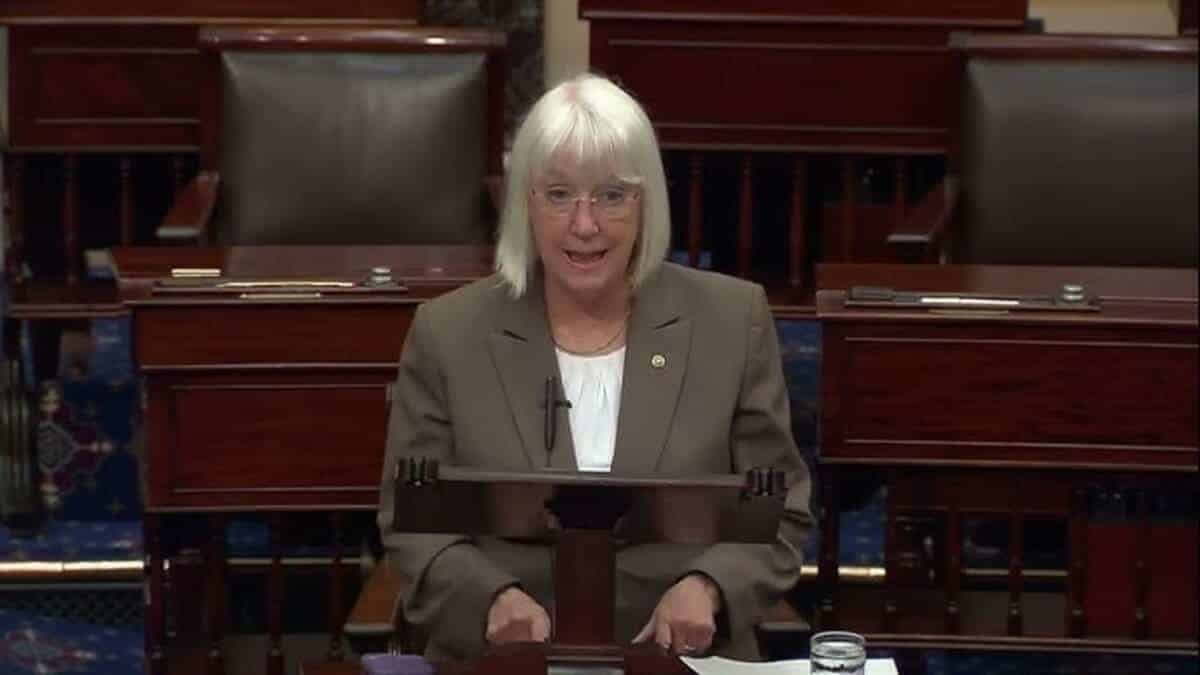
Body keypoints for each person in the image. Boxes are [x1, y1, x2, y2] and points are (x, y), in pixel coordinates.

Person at [377, 74, 812, 662]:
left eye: (612, 195)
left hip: (682, 660)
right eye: (559, 195)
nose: (585, 225)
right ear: (525, 203)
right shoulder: (447, 332)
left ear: (646, 202)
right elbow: (411, 520)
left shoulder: (732, 321)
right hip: (502, 659)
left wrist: (709, 588)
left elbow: (780, 510)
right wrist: (489, 600)